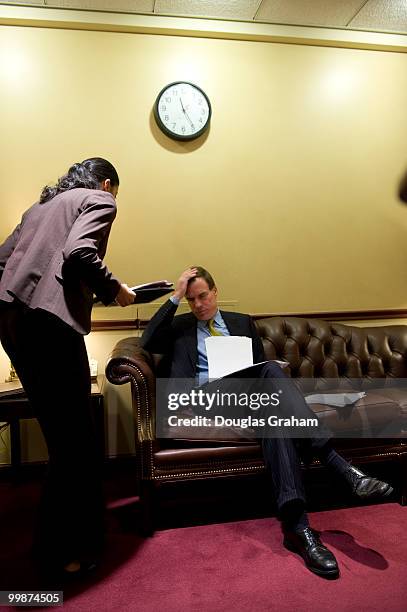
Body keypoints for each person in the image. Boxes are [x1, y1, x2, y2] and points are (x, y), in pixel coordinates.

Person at [142, 266, 393, 580]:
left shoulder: (241, 322)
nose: (198, 304)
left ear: (215, 292)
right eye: (191, 299)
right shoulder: (180, 327)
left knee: (273, 403)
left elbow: (260, 366)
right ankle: (337, 464)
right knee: (271, 381)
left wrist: (268, 374)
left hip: (249, 401)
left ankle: (297, 528)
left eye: (202, 296)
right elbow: (147, 341)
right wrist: (175, 296)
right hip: (205, 400)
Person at [0, 158, 136, 579]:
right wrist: (117, 289)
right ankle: (69, 552)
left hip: (12, 326)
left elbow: (3, 262)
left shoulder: (38, 210)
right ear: (109, 184)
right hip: (51, 330)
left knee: (63, 442)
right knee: (78, 443)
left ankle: (53, 549)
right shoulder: (100, 198)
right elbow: (80, 252)